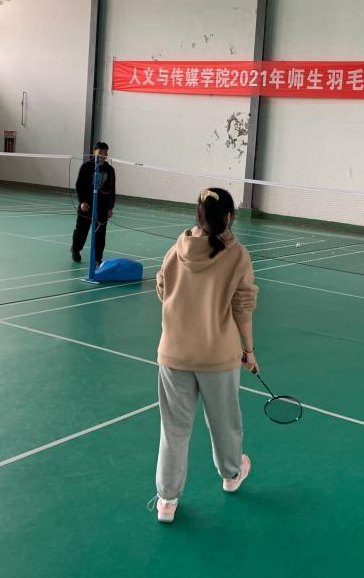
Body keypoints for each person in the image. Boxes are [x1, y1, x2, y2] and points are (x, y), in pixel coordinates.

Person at [150, 188, 259, 524]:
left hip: (174, 354)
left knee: (174, 430)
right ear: (228, 216)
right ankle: (231, 474)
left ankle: (167, 500)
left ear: (199, 214)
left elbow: (162, 288)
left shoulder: (176, 249)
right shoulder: (237, 255)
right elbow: (243, 307)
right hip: (218, 357)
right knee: (224, 422)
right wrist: (249, 351)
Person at [71, 142, 115, 265]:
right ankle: (75, 249)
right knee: (81, 230)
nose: (103, 155)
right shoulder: (86, 167)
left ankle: (97, 258)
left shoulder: (110, 170)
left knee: (100, 233)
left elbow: (112, 189)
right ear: (94, 152)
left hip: (102, 207)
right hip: (87, 205)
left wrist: (110, 207)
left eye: (105, 153)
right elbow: (79, 185)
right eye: (100, 152)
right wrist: (82, 202)